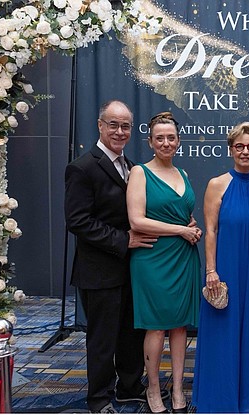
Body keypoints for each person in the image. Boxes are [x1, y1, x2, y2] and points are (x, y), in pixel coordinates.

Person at [64, 100, 156, 413]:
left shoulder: (131, 166)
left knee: (131, 334)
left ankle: (129, 387)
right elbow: (78, 221)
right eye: (113, 125)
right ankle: (99, 399)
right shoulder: (82, 167)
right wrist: (123, 239)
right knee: (103, 340)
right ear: (100, 126)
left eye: (125, 126)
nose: (119, 131)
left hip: (131, 269)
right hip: (99, 271)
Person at [192, 121, 249, 413]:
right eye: (240, 146)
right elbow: (211, 230)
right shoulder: (217, 184)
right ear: (231, 149)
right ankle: (220, 399)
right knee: (224, 332)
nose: (245, 151)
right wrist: (211, 270)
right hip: (226, 269)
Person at [127, 112, 202, 413]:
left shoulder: (182, 173)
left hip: (183, 257)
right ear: (150, 142)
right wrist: (181, 230)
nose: (166, 142)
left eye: (171, 137)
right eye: (160, 138)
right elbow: (137, 220)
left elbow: (182, 213)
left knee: (180, 327)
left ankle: (179, 389)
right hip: (153, 257)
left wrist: (190, 224)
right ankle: (154, 389)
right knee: (157, 327)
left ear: (178, 141)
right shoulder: (140, 173)